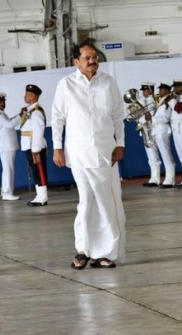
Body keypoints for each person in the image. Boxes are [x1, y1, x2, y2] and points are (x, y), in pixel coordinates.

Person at [51, 39, 126, 269]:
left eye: (95, 57)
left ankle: (107, 253)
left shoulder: (108, 83)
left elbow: (117, 116)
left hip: (106, 153)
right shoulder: (66, 84)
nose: (93, 61)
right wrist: (57, 147)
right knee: (85, 203)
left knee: (106, 203)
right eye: (88, 58)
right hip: (78, 154)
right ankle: (83, 250)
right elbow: (57, 117)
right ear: (77, 61)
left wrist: (120, 144)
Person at [20, 84, 49, 206]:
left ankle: (43, 197)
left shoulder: (36, 112)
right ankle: (39, 195)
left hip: (35, 146)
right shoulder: (29, 110)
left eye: (27, 95)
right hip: (29, 145)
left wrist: (36, 149)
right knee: (35, 171)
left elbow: (38, 130)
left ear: (33, 96)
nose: (25, 96)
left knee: (39, 170)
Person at [0, 92, 20, 201]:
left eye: (3, 101)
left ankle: (5, 191)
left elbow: (10, 122)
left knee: (8, 169)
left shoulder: (2, 114)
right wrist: (20, 115)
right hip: (6, 146)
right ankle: (8, 193)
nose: (2, 103)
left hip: (8, 146)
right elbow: (10, 124)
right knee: (8, 169)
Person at [152, 82, 177, 188]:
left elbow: (166, 118)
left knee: (167, 155)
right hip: (157, 131)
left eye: (161, 90)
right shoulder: (161, 101)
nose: (159, 92)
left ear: (167, 91)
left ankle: (170, 179)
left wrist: (152, 119)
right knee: (163, 155)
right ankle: (167, 178)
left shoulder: (169, 101)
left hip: (163, 130)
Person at [136, 83, 161, 187]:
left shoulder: (155, 100)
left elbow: (155, 114)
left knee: (155, 154)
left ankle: (156, 179)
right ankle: (154, 178)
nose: (144, 92)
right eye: (143, 90)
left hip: (153, 128)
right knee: (151, 156)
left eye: (146, 90)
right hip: (145, 129)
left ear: (151, 90)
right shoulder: (141, 101)